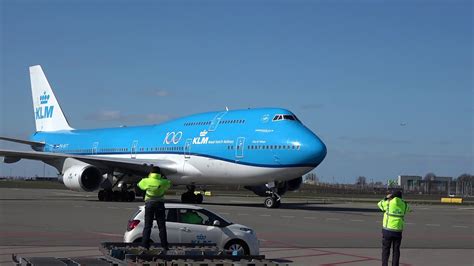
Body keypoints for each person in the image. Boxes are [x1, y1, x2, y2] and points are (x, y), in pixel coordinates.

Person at [138, 166, 171, 250]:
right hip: (160, 204)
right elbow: (169, 184)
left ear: (151, 173)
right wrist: (162, 179)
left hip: (149, 204)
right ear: (159, 174)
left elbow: (139, 185)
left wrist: (148, 179)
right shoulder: (163, 182)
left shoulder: (146, 181)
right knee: (162, 226)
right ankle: (164, 245)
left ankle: (145, 245)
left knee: (148, 225)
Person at [377, 190, 410, 266]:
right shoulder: (404, 205)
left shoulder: (388, 203)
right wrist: (401, 201)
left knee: (386, 250)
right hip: (398, 231)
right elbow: (409, 208)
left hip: (387, 230)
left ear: (392, 196)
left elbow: (379, 204)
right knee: (396, 250)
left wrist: (386, 198)